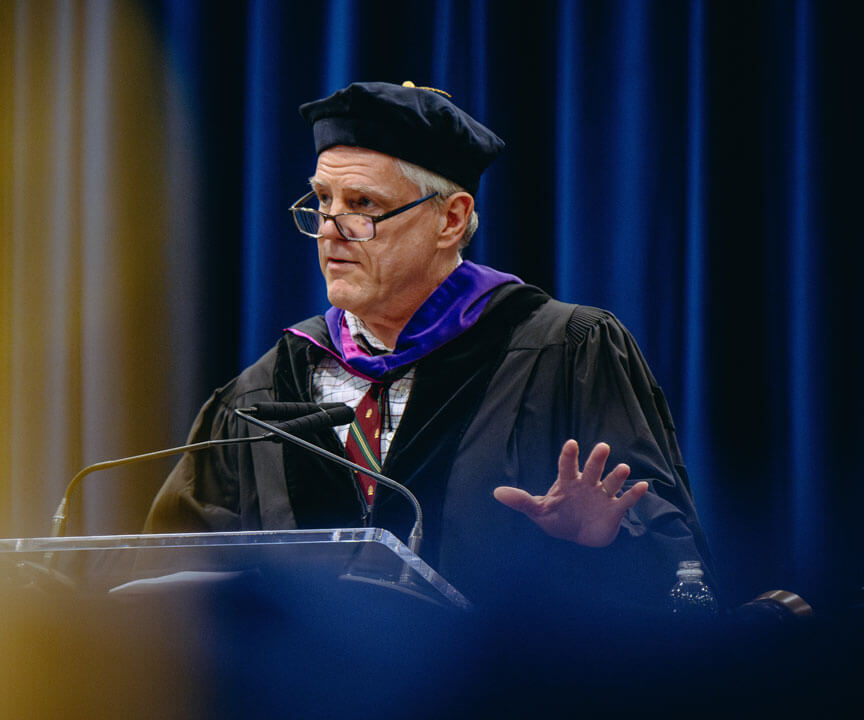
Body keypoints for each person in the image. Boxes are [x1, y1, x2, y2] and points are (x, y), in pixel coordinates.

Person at [145, 81, 713, 616]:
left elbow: (683, 581)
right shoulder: (264, 391)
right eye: (323, 201)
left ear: (451, 218)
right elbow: (169, 578)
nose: (329, 230)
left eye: (362, 203)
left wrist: (604, 545)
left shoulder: (565, 352)